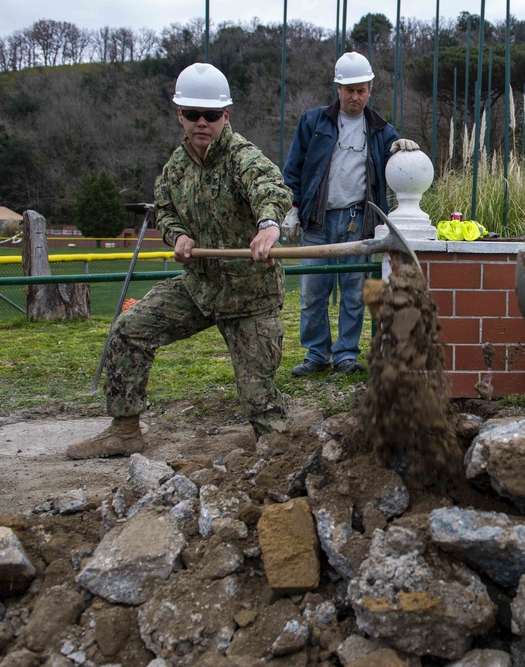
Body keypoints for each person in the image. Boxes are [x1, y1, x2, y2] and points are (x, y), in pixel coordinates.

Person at [66, 63, 293, 459]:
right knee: (129, 329)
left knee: (262, 409)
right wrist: (178, 236)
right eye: (192, 114)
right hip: (198, 286)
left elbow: (269, 188)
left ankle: (280, 449)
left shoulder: (244, 158)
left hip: (249, 297)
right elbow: (165, 210)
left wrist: (269, 225)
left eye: (210, 115)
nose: (201, 122)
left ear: (226, 116)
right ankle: (124, 430)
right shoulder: (176, 166)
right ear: (180, 116)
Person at [282, 51, 419, 377]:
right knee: (312, 293)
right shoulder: (313, 123)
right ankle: (316, 355)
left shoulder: (383, 131)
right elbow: (293, 170)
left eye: (361, 90)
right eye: (349, 90)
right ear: (338, 88)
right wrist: (292, 207)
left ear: (370, 89)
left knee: (354, 295)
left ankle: (345, 355)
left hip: (359, 221)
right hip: (317, 219)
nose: (355, 96)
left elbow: (397, 171)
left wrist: (403, 151)